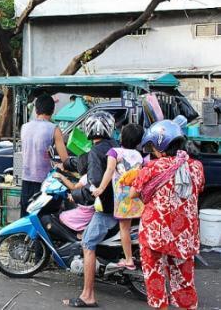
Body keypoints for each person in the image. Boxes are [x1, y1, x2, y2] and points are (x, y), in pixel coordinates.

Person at [129, 118, 204, 310]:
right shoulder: (196, 167)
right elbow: (198, 189)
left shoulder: (153, 167)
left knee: (155, 279)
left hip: (156, 233)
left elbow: (133, 193)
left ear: (160, 145)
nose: (153, 152)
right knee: (184, 282)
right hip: (184, 235)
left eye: (153, 147)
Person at [64, 111, 118, 308]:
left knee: (87, 244)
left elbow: (94, 184)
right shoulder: (114, 146)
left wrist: (76, 195)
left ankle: (88, 295)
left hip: (106, 209)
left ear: (89, 130)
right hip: (122, 205)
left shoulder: (97, 151)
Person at [92, 123, 144, 270]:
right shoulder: (138, 155)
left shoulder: (114, 152)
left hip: (123, 199)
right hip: (137, 197)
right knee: (133, 227)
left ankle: (128, 260)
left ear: (121, 136)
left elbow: (109, 171)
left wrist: (100, 189)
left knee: (124, 229)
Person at [20, 93, 68, 217]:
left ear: (36, 110)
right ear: (52, 110)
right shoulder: (54, 129)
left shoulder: (24, 127)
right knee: (43, 218)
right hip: (43, 182)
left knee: (26, 217)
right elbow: (65, 159)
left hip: (26, 178)